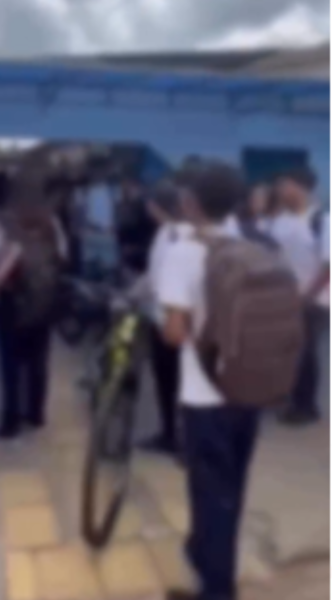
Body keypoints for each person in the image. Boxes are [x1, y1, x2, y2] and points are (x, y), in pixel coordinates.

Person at [157, 162, 262, 600]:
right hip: (251, 389)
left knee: (210, 495)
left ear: (191, 203)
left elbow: (175, 333)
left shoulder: (184, 252)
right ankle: (206, 557)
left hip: (205, 396)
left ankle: (217, 590)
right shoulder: (256, 244)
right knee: (231, 491)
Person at [0, 172, 62, 439]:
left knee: (10, 364)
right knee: (39, 360)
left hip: (13, 303)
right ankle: (36, 414)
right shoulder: (51, 224)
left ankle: (11, 420)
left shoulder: (6, 224)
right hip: (44, 303)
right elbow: (63, 256)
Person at [271, 166, 329, 425]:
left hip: (314, 300)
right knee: (285, 351)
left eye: (286, 184)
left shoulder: (322, 220)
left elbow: (328, 266)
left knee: (304, 353)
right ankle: (287, 397)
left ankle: (306, 407)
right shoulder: (280, 220)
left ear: (301, 188)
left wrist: (306, 297)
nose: (281, 190)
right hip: (282, 298)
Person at [141, 181, 190, 456]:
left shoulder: (171, 236)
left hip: (169, 321)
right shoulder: (173, 233)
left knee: (173, 383)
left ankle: (176, 438)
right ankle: (172, 435)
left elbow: (157, 280)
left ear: (155, 206)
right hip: (173, 319)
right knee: (174, 383)